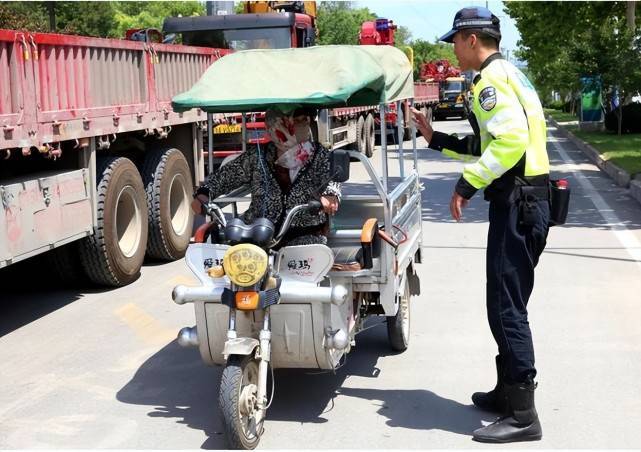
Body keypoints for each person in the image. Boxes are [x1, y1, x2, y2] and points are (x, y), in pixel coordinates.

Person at [412, 6, 550, 443]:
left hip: (517, 204)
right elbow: (489, 141)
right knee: (502, 302)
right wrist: (437, 140)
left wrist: (465, 186)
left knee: (508, 307)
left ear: (473, 39)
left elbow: (509, 142)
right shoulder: (510, 74)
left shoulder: (489, 82)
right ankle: (508, 393)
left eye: (455, 40)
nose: (452, 49)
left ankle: (524, 415)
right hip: (527, 202)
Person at [192, 107, 341, 246]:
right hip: (259, 233)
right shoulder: (258, 156)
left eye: (306, 120)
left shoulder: (319, 154)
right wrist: (204, 193)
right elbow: (226, 175)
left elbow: (332, 179)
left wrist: (330, 195)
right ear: (279, 125)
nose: (305, 125)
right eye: (298, 120)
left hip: (305, 235)